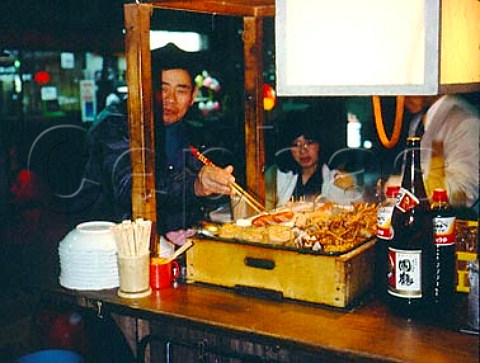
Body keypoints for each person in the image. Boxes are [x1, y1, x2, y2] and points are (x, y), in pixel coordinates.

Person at [75, 44, 235, 234]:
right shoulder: (114, 124)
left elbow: (194, 183)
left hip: (174, 242)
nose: (170, 99)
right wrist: (196, 185)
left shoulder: (189, 130)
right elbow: (130, 187)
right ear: (143, 88)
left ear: (193, 96)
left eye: (181, 91)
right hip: (113, 243)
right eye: (162, 88)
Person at [387, 94, 479, 211]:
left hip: (451, 224)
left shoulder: (465, 120)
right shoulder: (418, 121)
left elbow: (465, 192)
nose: (401, 97)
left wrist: (406, 189)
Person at [265, 109, 361, 209]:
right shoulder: (278, 177)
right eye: (296, 145)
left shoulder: (339, 180)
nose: (302, 151)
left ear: (320, 144)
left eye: (309, 143)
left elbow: (355, 212)